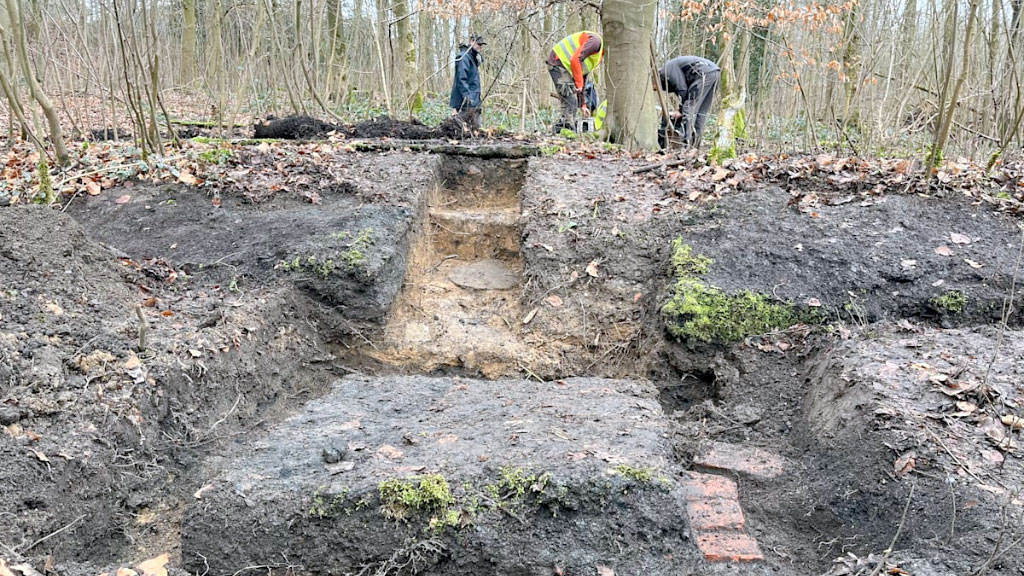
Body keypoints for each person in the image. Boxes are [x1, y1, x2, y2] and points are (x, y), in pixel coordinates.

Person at [655, 55, 721, 149]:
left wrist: (681, 110)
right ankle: (695, 145)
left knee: (688, 108)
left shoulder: (667, 69)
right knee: (700, 112)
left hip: (703, 73)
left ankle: (687, 143)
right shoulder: (670, 73)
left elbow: (682, 89)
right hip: (714, 72)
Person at [546, 31, 604, 132]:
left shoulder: (598, 58)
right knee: (570, 99)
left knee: (574, 101)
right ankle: (564, 130)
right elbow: (575, 60)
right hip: (558, 61)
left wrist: (583, 105)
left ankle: (563, 130)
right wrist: (579, 85)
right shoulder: (595, 42)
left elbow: (582, 77)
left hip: (568, 68)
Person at [450, 35, 486, 130]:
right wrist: (468, 98)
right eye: (478, 44)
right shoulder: (464, 57)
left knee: (475, 128)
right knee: (463, 129)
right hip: (466, 102)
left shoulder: (473, 58)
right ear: (471, 42)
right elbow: (462, 79)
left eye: (481, 45)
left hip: (474, 100)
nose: (480, 47)